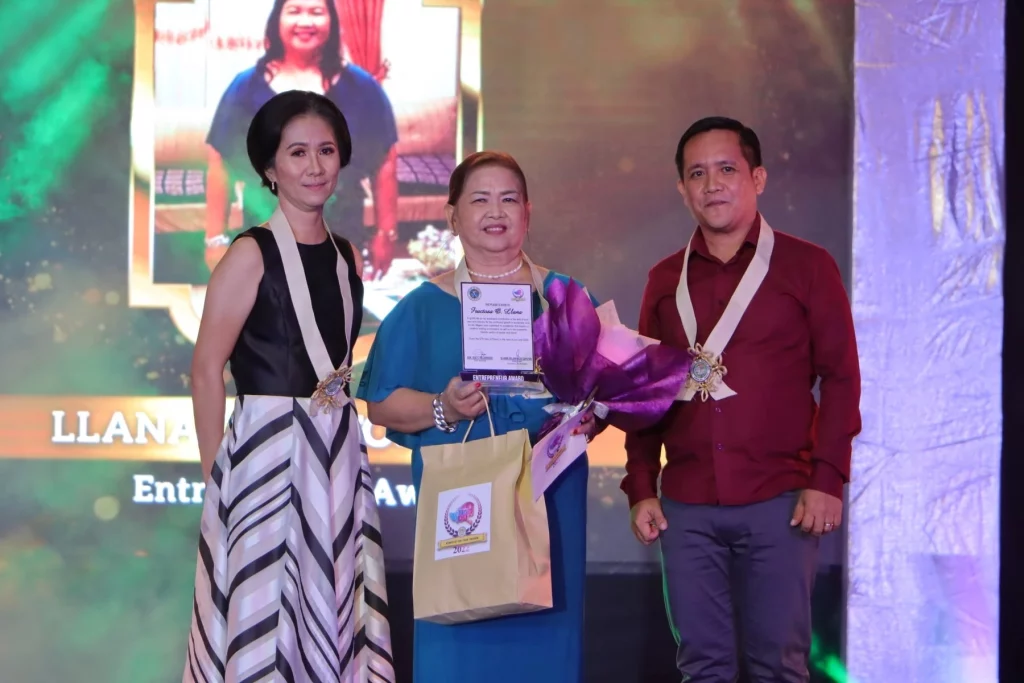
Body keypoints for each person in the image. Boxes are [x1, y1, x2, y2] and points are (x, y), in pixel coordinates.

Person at [622, 117, 861, 683]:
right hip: (686, 504)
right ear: (682, 189)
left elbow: (842, 377)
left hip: (780, 500)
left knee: (778, 664)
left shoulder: (808, 267)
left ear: (757, 177)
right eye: (696, 174)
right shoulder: (663, 280)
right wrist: (639, 486)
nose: (712, 185)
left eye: (727, 169)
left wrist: (827, 479)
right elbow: (645, 392)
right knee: (702, 666)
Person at [357, 151, 600, 682]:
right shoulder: (421, 306)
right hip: (461, 507)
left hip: (547, 499)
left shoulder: (564, 298)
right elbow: (380, 403)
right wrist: (442, 406)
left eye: (509, 198)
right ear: (452, 217)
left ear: (528, 212)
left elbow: (605, 390)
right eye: (480, 199)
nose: (497, 211)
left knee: (544, 642)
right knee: (459, 648)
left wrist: (590, 417)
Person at [184, 90, 393, 683]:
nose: (314, 165)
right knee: (264, 618)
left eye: (326, 150)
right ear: (270, 168)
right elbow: (206, 368)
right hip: (265, 451)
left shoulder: (347, 257)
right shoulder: (248, 253)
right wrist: (216, 479)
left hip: (337, 451)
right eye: (297, 152)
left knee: (334, 610)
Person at [203, 0, 399, 278]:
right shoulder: (246, 88)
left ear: (331, 21)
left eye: (316, 12)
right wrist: (215, 239)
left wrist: (386, 233)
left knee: (334, 315)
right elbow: (219, 162)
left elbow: (386, 160)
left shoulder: (361, 87)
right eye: (294, 11)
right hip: (264, 234)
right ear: (277, 21)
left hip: (341, 233)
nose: (305, 21)